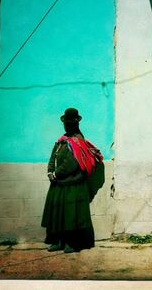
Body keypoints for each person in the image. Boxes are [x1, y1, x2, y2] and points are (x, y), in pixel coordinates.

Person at [41, 107, 105, 253]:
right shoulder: (61, 141)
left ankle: (72, 243)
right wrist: (50, 171)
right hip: (59, 184)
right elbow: (53, 157)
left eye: (70, 122)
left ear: (76, 123)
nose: (67, 125)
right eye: (66, 122)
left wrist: (56, 173)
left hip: (73, 184)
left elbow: (72, 163)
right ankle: (59, 241)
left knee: (71, 215)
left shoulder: (77, 141)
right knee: (60, 214)